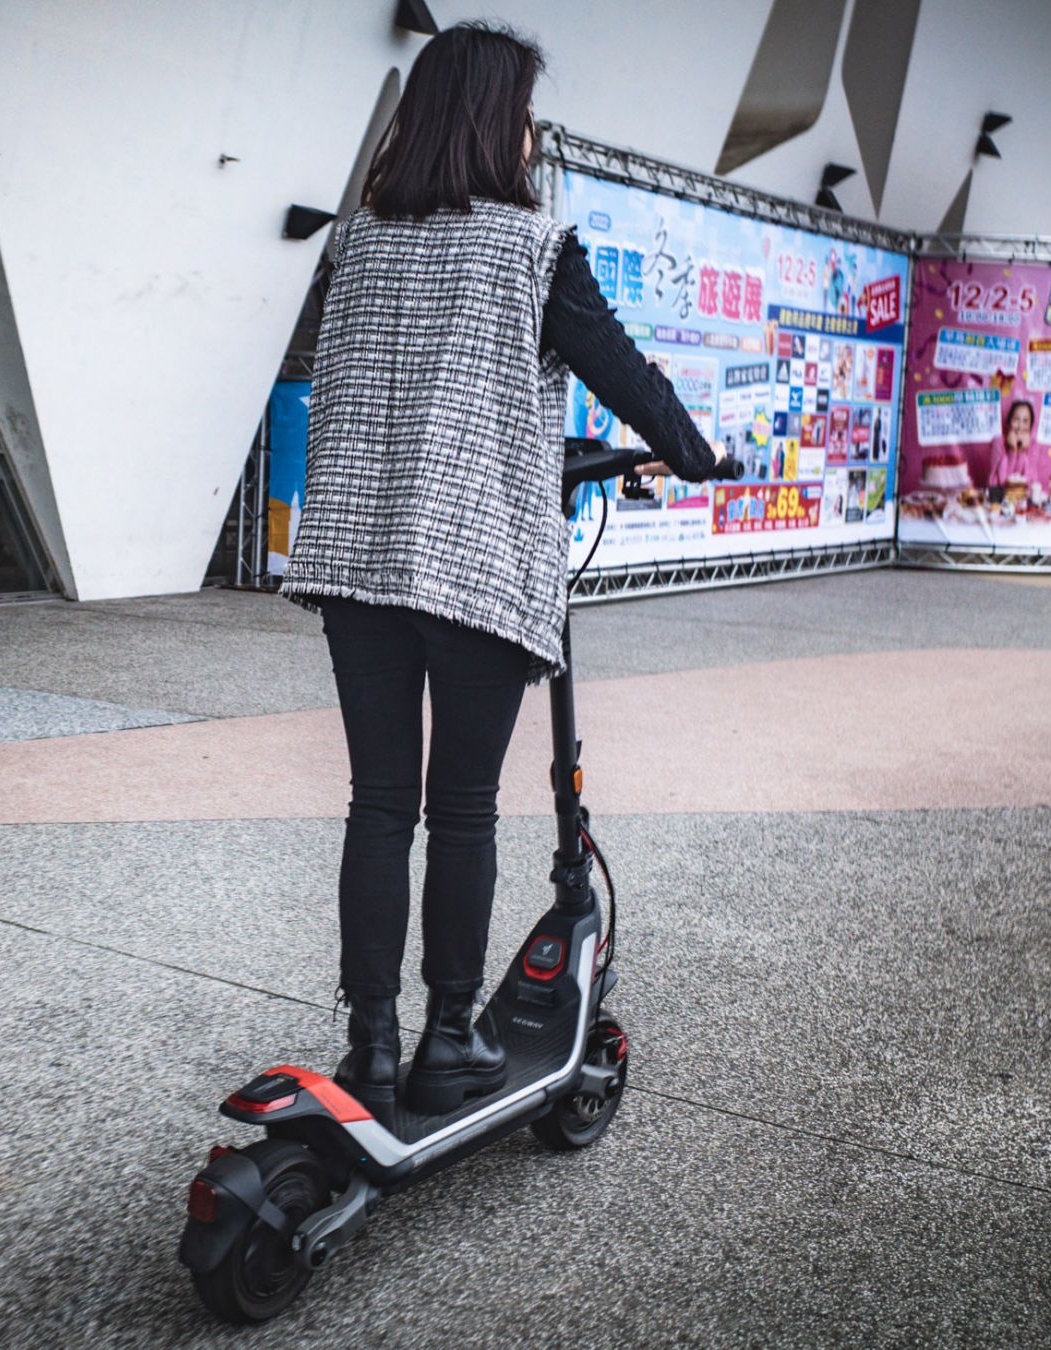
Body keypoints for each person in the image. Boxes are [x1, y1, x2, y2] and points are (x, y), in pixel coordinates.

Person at [281, 22, 722, 1116]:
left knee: (380, 801)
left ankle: (370, 1046)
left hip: (357, 561)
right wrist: (695, 451)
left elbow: (320, 372)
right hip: (471, 566)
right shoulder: (532, 248)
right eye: (524, 110)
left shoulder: (357, 244)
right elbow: (624, 373)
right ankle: (448, 1040)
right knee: (463, 807)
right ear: (495, 121)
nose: (530, 132)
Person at [989, 399, 1042, 492]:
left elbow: (1029, 482)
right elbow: (999, 482)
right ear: (1009, 423)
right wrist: (1012, 451)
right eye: (1016, 419)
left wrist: (1021, 451)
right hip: (1000, 499)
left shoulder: (1034, 446)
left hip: (1024, 501)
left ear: (1031, 426)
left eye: (1025, 421)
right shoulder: (998, 442)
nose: (1020, 426)